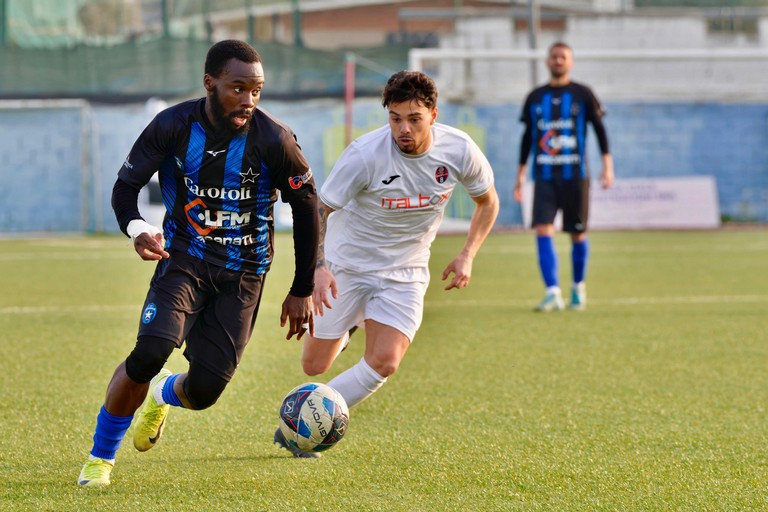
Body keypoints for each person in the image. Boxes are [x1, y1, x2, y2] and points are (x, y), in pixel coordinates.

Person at [77, 40, 319, 487]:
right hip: (184, 260)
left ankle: (162, 394)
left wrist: (302, 288)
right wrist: (137, 228)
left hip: (244, 274)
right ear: (210, 83)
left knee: (204, 392)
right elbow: (125, 187)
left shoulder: (275, 139)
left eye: (257, 90)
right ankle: (99, 460)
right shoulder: (173, 126)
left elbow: (306, 207)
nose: (248, 100)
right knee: (149, 353)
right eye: (238, 88)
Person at [273, 70, 499, 458]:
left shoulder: (459, 150)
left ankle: (302, 425)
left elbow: (488, 202)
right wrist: (319, 267)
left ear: (433, 114)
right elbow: (320, 210)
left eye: (414, 119)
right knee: (313, 366)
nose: (403, 129)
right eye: (395, 118)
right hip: (347, 266)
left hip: (406, 271)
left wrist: (467, 254)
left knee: (385, 361)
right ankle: (350, 328)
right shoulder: (365, 155)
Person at [514, 41, 614, 312]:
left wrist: (607, 165)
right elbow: (527, 138)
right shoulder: (535, 97)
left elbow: (600, 130)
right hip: (544, 176)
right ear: (547, 61)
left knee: (577, 233)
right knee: (542, 228)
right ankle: (552, 292)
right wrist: (520, 174)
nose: (558, 61)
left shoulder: (583, 94)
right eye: (554, 56)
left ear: (570, 62)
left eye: (563, 57)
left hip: (575, 176)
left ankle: (578, 289)